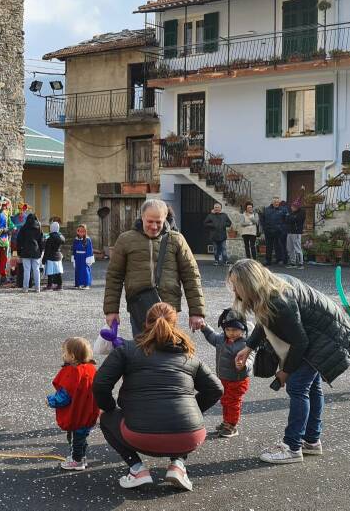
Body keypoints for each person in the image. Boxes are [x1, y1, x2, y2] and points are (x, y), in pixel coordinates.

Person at [229, 259, 350, 464]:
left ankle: (292, 447)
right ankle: (311, 441)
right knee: (311, 388)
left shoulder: (278, 299)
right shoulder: (270, 287)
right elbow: (264, 320)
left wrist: (285, 372)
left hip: (325, 336)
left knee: (298, 386)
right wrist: (249, 347)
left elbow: (299, 342)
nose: (234, 290)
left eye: (236, 284)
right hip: (322, 331)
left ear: (249, 282)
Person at [93, 302, 223, 491]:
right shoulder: (189, 355)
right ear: (175, 323)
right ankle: (178, 464)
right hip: (189, 437)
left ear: (146, 323)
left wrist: (111, 408)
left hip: (139, 435)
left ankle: (137, 469)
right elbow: (216, 389)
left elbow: (100, 384)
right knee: (183, 418)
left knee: (106, 418)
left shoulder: (127, 350)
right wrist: (194, 408)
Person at [103, 199, 205, 338]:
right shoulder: (125, 240)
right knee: (142, 350)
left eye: (158, 222)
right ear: (142, 217)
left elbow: (191, 276)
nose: (154, 226)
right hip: (139, 307)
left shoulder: (176, 240)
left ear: (165, 218)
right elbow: (114, 277)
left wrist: (196, 312)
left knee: (166, 351)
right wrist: (111, 310)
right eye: (150, 221)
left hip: (168, 308)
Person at [200, 308, 254, 438]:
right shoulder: (221, 339)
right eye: (228, 330)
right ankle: (226, 422)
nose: (231, 333)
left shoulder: (246, 344)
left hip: (238, 380)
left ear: (243, 329)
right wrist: (204, 327)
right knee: (225, 401)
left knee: (233, 402)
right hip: (223, 378)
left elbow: (251, 358)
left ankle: (232, 426)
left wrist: (244, 365)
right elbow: (211, 336)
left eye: (235, 330)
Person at [47, 337, 99, 471]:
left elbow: (64, 396)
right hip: (88, 412)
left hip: (76, 413)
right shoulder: (91, 369)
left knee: (76, 439)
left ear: (72, 356)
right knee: (82, 437)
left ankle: (77, 460)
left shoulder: (73, 373)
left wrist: (50, 400)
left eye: (65, 353)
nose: (63, 355)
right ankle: (81, 456)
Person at [16, 213, 45, 293]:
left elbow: (19, 241)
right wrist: (41, 250)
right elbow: (41, 241)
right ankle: (37, 288)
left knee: (26, 270)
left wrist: (19, 253)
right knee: (36, 270)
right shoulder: (39, 228)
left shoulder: (23, 228)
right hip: (36, 251)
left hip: (25, 251)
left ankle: (25, 288)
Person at [261, 197, 288, 266]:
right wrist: (265, 229)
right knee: (268, 246)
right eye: (275, 202)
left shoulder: (283, 209)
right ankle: (268, 260)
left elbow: (286, 220)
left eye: (278, 202)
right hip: (268, 231)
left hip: (279, 231)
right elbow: (262, 220)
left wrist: (282, 228)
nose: (277, 203)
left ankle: (279, 259)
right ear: (272, 202)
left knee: (278, 246)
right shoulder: (266, 210)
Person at [42, 221, 64, 291]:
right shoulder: (60, 237)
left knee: (50, 272)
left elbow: (47, 250)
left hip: (51, 256)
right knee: (58, 272)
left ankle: (49, 285)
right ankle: (60, 285)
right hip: (58, 256)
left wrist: (44, 259)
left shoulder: (49, 238)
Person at [72, 224, 94, 290]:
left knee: (85, 270)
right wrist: (74, 258)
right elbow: (74, 249)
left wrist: (88, 259)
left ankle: (86, 284)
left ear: (85, 231)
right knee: (78, 270)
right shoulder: (75, 240)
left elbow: (89, 249)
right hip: (78, 257)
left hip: (84, 257)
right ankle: (78, 284)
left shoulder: (87, 239)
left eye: (82, 231)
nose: (81, 232)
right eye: (79, 231)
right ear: (77, 231)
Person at [285, 202, 306, 269]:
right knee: (290, 248)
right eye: (291, 206)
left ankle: (301, 263)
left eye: (293, 207)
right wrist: (290, 217)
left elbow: (295, 219)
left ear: (296, 207)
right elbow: (287, 220)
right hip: (290, 232)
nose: (291, 208)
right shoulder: (291, 213)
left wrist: (291, 217)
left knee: (297, 248)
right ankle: (293, 262)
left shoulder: (301, 213)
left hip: (296, 232)